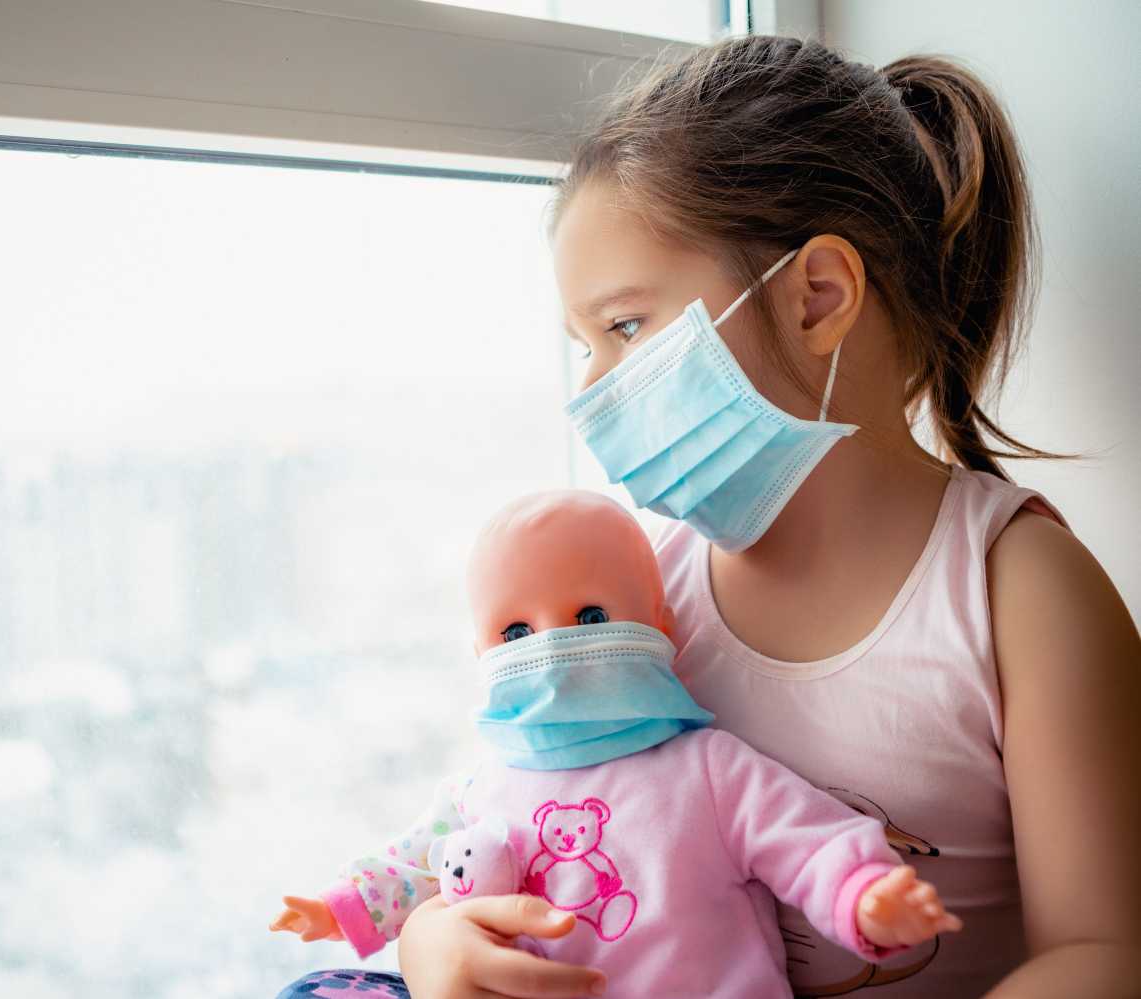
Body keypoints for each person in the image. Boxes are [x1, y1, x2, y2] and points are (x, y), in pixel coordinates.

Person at [278, 33, 1140, 999]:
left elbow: (1104, 953)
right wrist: (433, 940)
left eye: (625, 326)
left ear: (816, 297)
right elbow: (525, 801)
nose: (595, 385)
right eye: (583, 345)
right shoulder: (647, 586)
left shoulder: (1019, 591)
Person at [271, 490, 962, 997]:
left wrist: (863, 893)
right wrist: (340, 906)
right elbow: (417, 861)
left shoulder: (706, 770)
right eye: (515, 632)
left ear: (661, 624)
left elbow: (807, 839)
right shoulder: (480, 788)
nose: (551, 642)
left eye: (590, 616)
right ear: (479, 651)